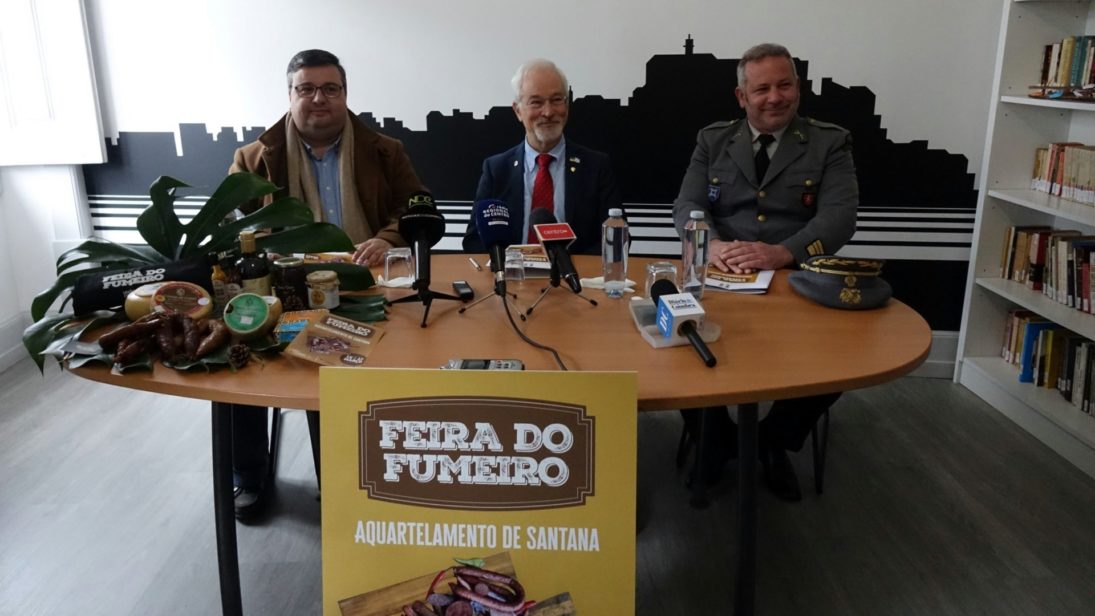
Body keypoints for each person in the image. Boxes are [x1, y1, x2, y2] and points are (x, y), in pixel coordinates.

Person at [227, 49, 426, 521]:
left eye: (330, 89)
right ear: (290, 95)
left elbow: (415, 205)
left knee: (340, 371)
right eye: (307, 89)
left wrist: (386, 238)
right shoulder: (253, 159)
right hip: (283, 292)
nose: (319, 99)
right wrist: (265, 249)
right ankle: (249, 476)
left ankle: (344, 481)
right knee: (240, 359)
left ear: (345, 94)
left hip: (364, 290)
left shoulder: (385, 150)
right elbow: (233, 225)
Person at [672, 43, 858, 501]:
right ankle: (713, 440)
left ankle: (773, 443)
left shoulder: (829, 142)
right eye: (762, 89)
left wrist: (782, 253)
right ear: (742, 97)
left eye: (784, 85)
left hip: (796, 279)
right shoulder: (713, 140)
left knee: (841, 359)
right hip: (722, 277)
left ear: (798, 87)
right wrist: (711, 245)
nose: (775, 97)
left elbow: (840, 218)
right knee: (678, 341)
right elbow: (687, 205)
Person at [463, 59, 622, 255]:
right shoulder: (496, 169)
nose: (548, 112)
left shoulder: (596, 167)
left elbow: (616, 239)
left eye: (556, 100)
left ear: (567, 106)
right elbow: (474, 241)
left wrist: (573, 267)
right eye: (536, 102)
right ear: (518, 111)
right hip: (512, 272)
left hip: (575, 273)